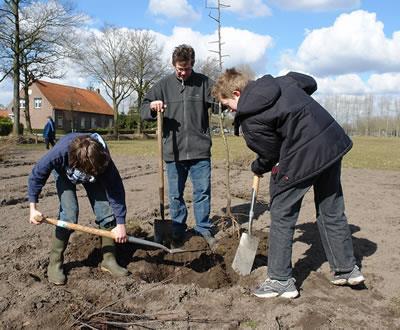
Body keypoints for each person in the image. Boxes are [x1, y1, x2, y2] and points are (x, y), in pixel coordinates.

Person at [212, 68, 365, 298]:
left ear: (236, 93)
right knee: (330, 208)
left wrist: (258, 166)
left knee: (282, 211)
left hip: (303, 154)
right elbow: (310, 81)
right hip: (330, 142)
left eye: (227, 105)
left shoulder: (250, 119)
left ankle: (280, 280)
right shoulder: (284, 81)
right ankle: (346, 269)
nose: (228, 111)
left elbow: (270, 153)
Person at [141, 44, 217, 249]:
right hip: (173, 152)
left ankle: (203, 229)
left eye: (187, 69)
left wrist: (222, 100)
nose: (183, 73)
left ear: (193, 64)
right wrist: (151, 106)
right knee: (175, 195)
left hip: (200, 150)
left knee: (202, 192)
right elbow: (143, 109)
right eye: (179, 69)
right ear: (174, 65)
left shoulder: (204, 83)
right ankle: (177, 231)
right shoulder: (163, 85)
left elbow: (220, 103)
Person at [28, 132, 129, 285]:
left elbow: (116, 190)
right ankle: (54, 264)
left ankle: (109, 260)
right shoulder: (59, 153)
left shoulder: (102, 159)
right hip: (64, 172)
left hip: (94, 172)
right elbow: (37, 175)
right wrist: (33, 208)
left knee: (106, 214)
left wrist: (120, 224)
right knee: (69, 214)